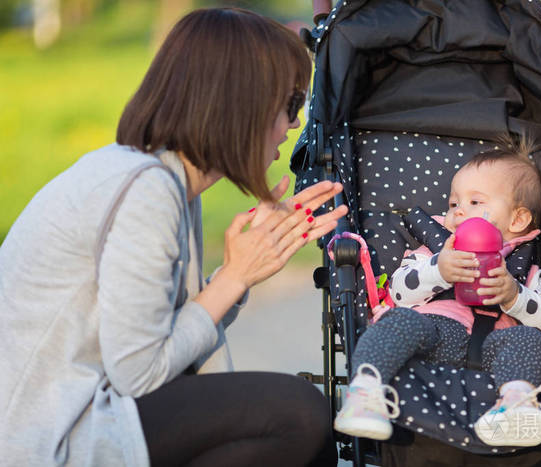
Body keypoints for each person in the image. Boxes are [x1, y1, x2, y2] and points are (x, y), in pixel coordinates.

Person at [0, 8, 348, 467]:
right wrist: (234, 279)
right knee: (297, 414)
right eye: (290, 105)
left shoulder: (166, 181)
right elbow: (142, 375)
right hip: (50, 438)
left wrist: (236, 274)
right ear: (243, 104)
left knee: (304, 424)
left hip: (88, 410)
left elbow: (163, 343)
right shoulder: (145, 192)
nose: (293, 125)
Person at [333, 140, 541, 447]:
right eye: (454, 204)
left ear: (517, 220)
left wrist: (514, 296)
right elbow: (400, 291)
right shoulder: (434, 249)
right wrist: (438, 271)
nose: (458, 212)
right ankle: (365, 392)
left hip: (497, 351)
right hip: (436, 334)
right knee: (400, 321)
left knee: (529, 338)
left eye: (474, 202)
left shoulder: (525, 271)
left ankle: (515, 404)